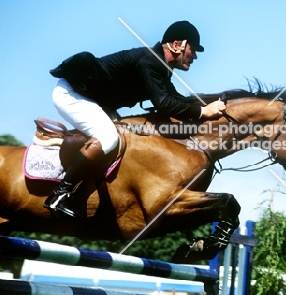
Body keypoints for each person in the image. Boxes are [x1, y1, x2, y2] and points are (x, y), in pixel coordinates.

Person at [43, 20, 226, 218]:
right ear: (176, 45)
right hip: (72, 95)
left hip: (94, 100)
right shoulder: (150, 62)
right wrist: (202, 112)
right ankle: (61, 194)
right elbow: (165, 104)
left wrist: (209, 103)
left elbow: (176, 99)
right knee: (108, 138)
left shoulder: (160, 67)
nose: (195, 56)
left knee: (125, 139)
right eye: (193, 49)